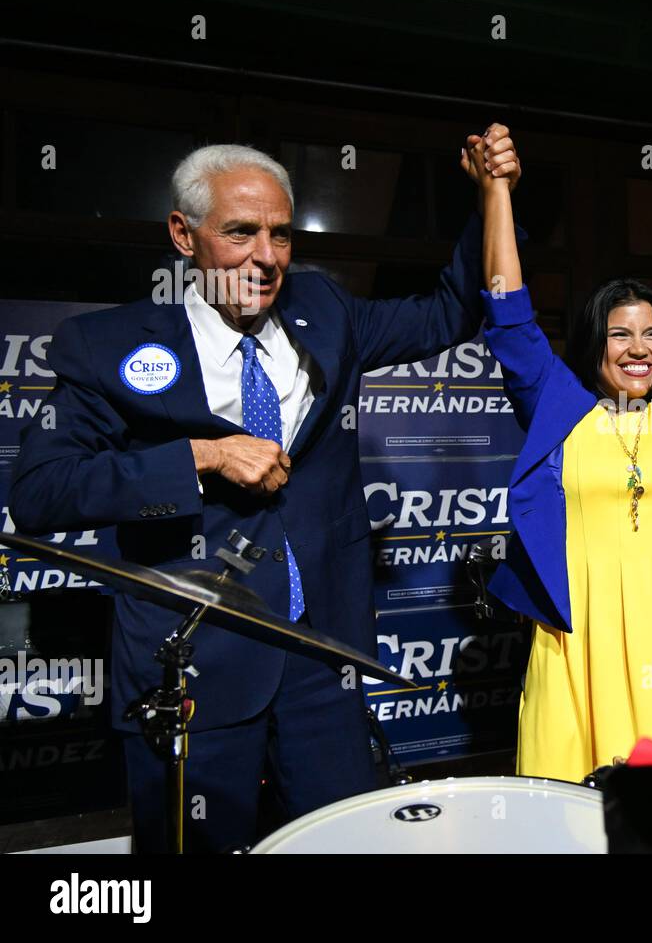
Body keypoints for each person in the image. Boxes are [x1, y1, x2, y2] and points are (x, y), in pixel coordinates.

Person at [9, 127, 521, 852]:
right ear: (184, 235)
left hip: (321, 660)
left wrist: (491, 197)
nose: (267, 256)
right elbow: (40, 491)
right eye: (241, 232)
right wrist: (200, 456)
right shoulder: (109, 345)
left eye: (281, 234)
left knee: (341, 845)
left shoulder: (328, 311)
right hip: (192, 668)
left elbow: (449, 310)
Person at [463, 137, 652, 782]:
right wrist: (498, 191)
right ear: (595, 341)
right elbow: (509, 313)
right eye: (620, 332)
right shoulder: (557, 404)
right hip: (581, 639)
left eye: (651, 332)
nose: (640, 348)